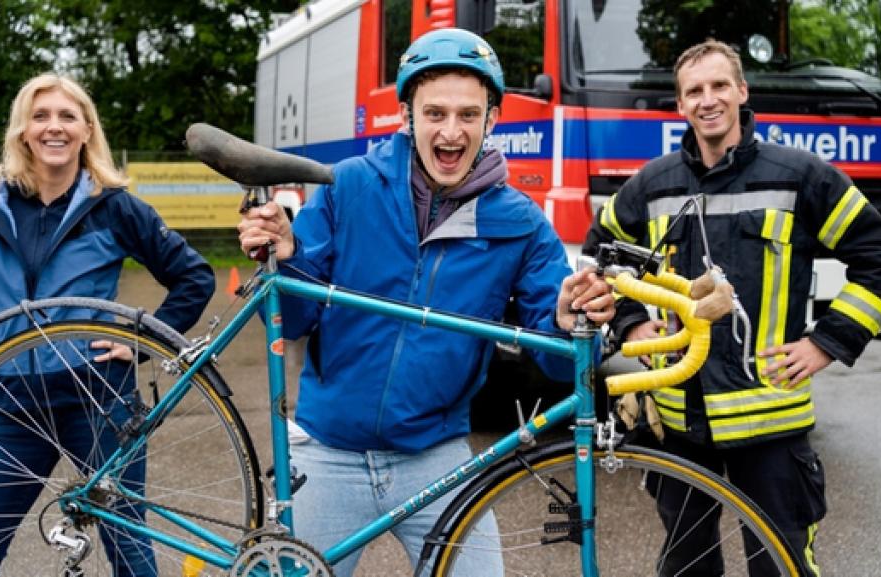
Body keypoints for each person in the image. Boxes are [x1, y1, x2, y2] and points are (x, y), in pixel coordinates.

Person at [238, 28, 615, 577]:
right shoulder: (348, 186)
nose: (451, 130)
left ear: (491, 119)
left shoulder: (521, 224)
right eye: (434, 113)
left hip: (435, 455)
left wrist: (568, 320)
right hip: (327, 449)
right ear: (407, 115)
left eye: (469, 114)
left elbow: (561, 360)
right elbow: (291, 322)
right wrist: (286, 259)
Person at [583, 39, 881, 576]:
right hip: (678, 419)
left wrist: (826, 342)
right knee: (688, 564)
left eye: (717, 86)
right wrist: (630, 323)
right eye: (694, 91)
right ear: (681, 105)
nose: (707, 100)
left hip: (772, 425)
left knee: (781, 565)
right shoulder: (654, 184)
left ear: (741, 92)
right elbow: (599, 258)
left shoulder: (801, 175)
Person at [0, 73, 215, 576]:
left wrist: (142, 342)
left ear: (86, 130)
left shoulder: (115, 207)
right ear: (22, 132)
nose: (53, 127)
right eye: (40, 116)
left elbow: (193, 276)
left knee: (131, 557)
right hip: (12, 408)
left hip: (100, 404)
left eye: (66, 116)